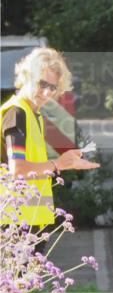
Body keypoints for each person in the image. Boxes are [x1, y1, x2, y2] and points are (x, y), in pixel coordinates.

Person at [1, 47, 100, 230]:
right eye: (42, 84)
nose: (47, 93)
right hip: (14, 225)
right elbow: (18, 170)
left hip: (28, 222)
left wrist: (68, 162)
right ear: (27, 78)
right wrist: (58, 164)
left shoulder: (32, 114)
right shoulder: (17, 113)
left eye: (52, 87)